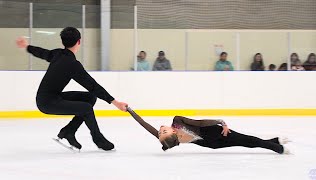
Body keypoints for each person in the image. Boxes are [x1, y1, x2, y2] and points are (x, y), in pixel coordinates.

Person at [16, 27, 128, 151]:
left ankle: (69, 131)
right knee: (86, 108)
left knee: (89, 97)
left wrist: (26, 46)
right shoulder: (72, 64)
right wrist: (115, 102)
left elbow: (42, 53)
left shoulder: (58, 54)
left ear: (63, 42)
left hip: (48, 98)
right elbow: (92, 85)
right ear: (79, 42)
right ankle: (98, 139)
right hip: (48, 103)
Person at [127, 107, 291, 154]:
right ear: (172, 135)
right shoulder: (173, 139)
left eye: (161, 131)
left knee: (247, 140)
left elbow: (200, 122)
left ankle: (278, 148)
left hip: (215, 131)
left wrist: (130, 110)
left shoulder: (177, 121)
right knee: (245, 144)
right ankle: (275, 141)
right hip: (210, 144)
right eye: (163, 132)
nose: (161, 129)